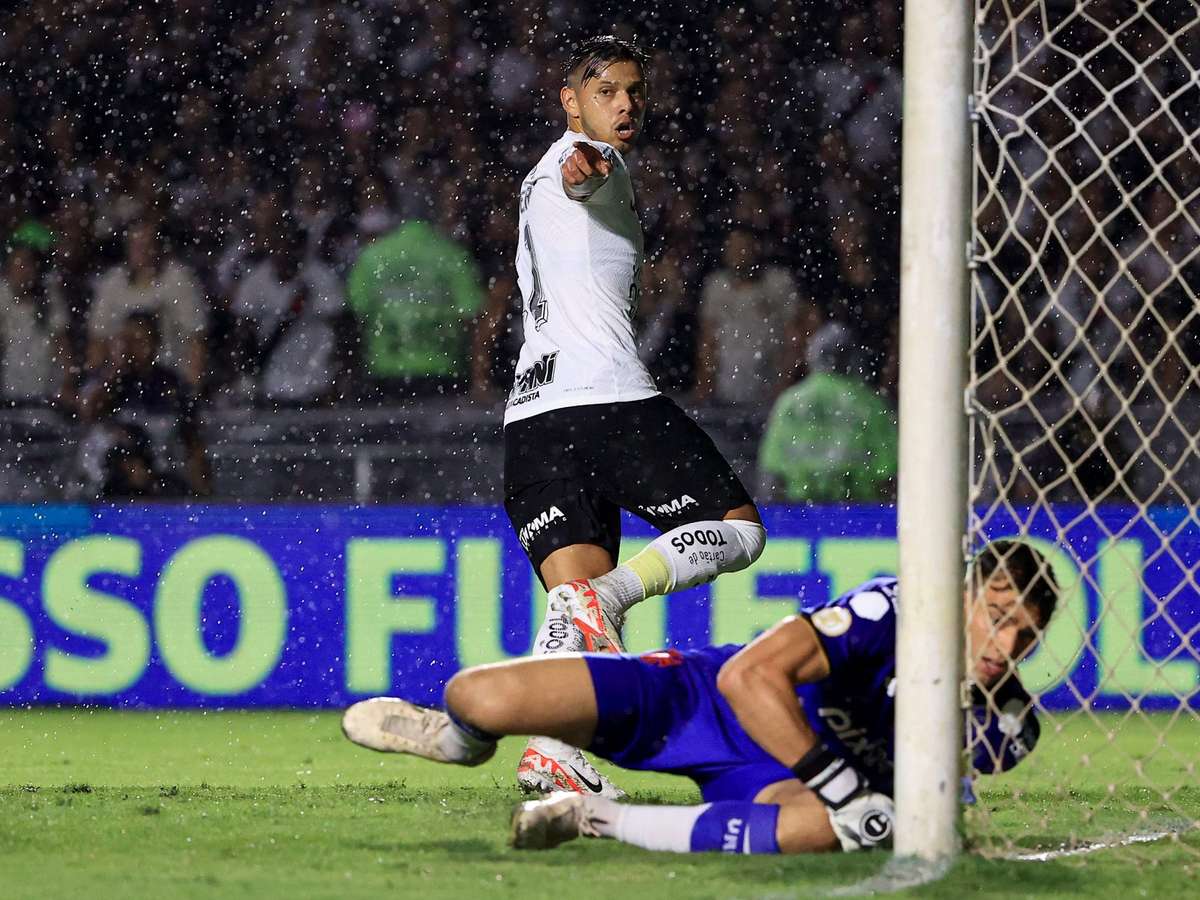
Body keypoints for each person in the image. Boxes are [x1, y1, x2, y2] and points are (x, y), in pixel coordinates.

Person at [343, 540, 1057, 855]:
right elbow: (747, 679)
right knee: (480, 697)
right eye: (998, 618)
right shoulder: (888, 612)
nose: (1007, 645)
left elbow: (936, 793)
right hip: (700, 702)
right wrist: (842, 784)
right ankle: (456, 743)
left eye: (1026, 635)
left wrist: (869, 807)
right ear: (966, 594)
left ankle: (592, 819)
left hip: (776, 780)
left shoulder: (1003, 721)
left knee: (834, 830)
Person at [501, 35, 765, 797]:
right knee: (739, 530)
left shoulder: (533, 179)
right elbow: (586, 171)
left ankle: (554, 752)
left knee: (575, 612)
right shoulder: (590, 163)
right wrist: (590, 163)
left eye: (634, 91)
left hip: (532, 421)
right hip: (605, 401)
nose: (625, 104)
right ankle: (610, 595)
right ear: (569, 100)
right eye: (606, 91)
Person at [757, 322, 898, 502]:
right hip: (859, 512)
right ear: (853, 357)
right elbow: (889, 475)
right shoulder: (871, 405)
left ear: (813, 355)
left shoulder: (790, 402)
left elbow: (771, 472)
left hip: (799, 513)